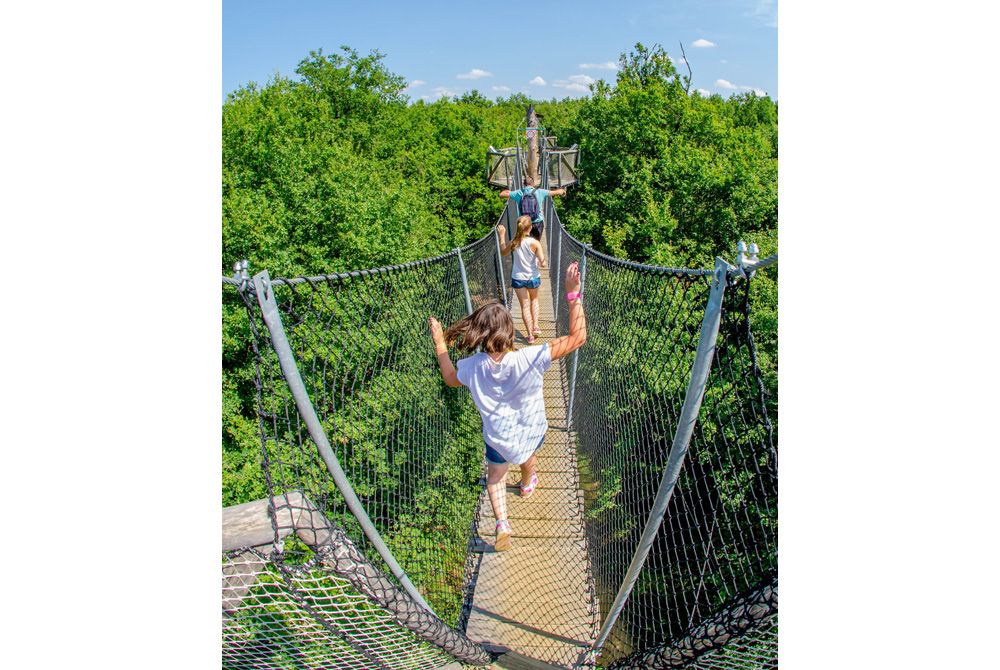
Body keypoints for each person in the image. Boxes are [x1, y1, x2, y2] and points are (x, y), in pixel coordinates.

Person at [428, 263, 587, 551]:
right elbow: (578, 338)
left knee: (496, 478)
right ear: (510, 331)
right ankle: (528, 483)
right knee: (528, 453)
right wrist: (573, 294)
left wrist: (441, 344)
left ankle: (502, 523)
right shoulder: (531, 357)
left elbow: (450, 379)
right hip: (531, 430)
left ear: (478, 333)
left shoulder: (473, 367)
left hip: (498, 438)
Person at [499, 215, 546, 344]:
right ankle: (536, 326)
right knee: (534, 301)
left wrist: (502, 235)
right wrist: (541, 262)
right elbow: (543, 262)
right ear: (530, 227)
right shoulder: (535, 243)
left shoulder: (514, 242)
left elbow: (503, 252)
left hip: (518, 278)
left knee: (524, 306)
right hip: (532, 277)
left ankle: (530, 335)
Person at [500, 176, 566, 240]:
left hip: (525, 223)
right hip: (538, 223)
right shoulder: (540, 191)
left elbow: (502, 194)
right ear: (533, 184)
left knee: (526, 243)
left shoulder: (518, 193)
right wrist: (563, 191)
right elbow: (558, 192)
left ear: (524, 184)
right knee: (536, 243)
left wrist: (509, 192)